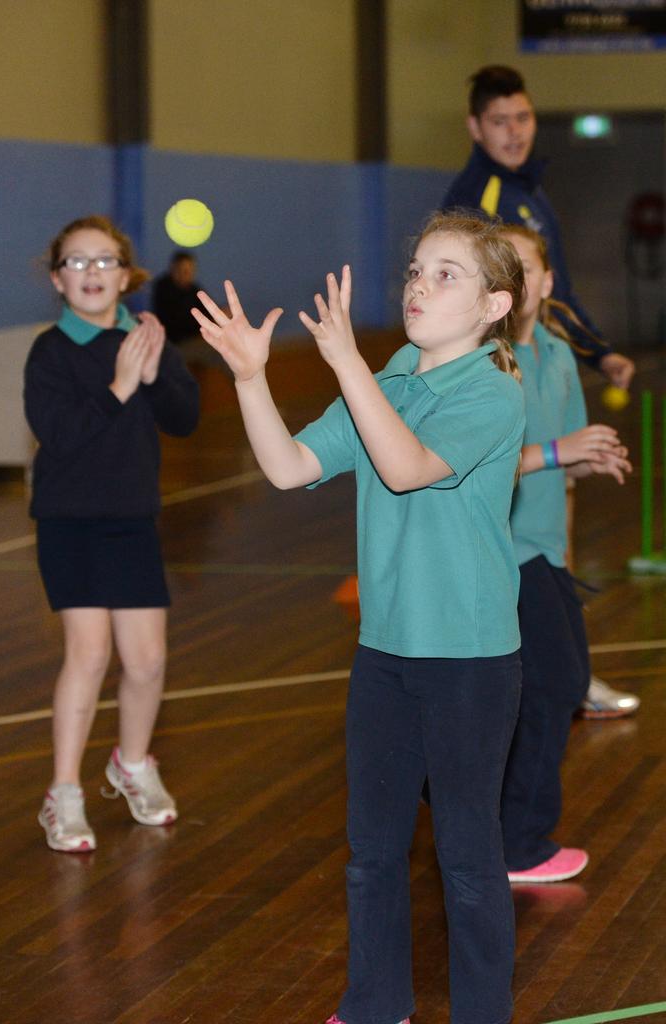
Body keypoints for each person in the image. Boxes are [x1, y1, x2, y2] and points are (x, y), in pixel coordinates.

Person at [192, 211, 526, 1024]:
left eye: (446, 273)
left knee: (468, 858)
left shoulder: (493, 391)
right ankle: (376, 1004)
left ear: (493, 306)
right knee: (372, 853)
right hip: (385, 653)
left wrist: (348, 368)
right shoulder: (393, 379)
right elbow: (288, 466)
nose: (420, 284)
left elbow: (408, 469)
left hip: (470, 660)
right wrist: (249, 378)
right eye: (416, 269)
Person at [443, 64, 639, 720]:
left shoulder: (532, 192)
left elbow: (559, 289)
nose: (514, 131)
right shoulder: (480, 197)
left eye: (522, 118)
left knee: (559, 493)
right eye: (499, 121)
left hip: (544, 352)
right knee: (506, 507)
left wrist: (599, 351)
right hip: (500, 364)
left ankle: (563, 662)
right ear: (475, 127)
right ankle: (520, 671)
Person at [24, 215, 200, 853]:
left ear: (126, 276)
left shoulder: (149, 340)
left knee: (148, 661)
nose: (92, 272)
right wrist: (121, 386)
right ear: (57, 279)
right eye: (77, 262)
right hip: (68, 521)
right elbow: (62, 435)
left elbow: (185, 419)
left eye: (105, 262)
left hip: (131, 520)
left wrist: (154, 378)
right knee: (89, 654)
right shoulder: (50, 351)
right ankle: (64, 793)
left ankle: (132, 765)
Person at [500, 224, 632, 883]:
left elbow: (565, 462)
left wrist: (589, 459)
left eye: (525, 268)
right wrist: (562, 453)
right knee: (554, 684)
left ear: (549, 282)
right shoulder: (487, 361)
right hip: (499, 553)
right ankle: (518, 843)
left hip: (545, 554)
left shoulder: (554, 353)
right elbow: (478, 465)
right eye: (503, 267)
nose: (515, 279)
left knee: (552, 684)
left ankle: (469, 807)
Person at [152, 250, 205, 345]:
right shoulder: (163, 288)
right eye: (182, 270)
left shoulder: (194, 290)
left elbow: (206, 311)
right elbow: (174, 322)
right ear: (173, 269)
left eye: (190, 271)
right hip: (172, 344)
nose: (186, 274)